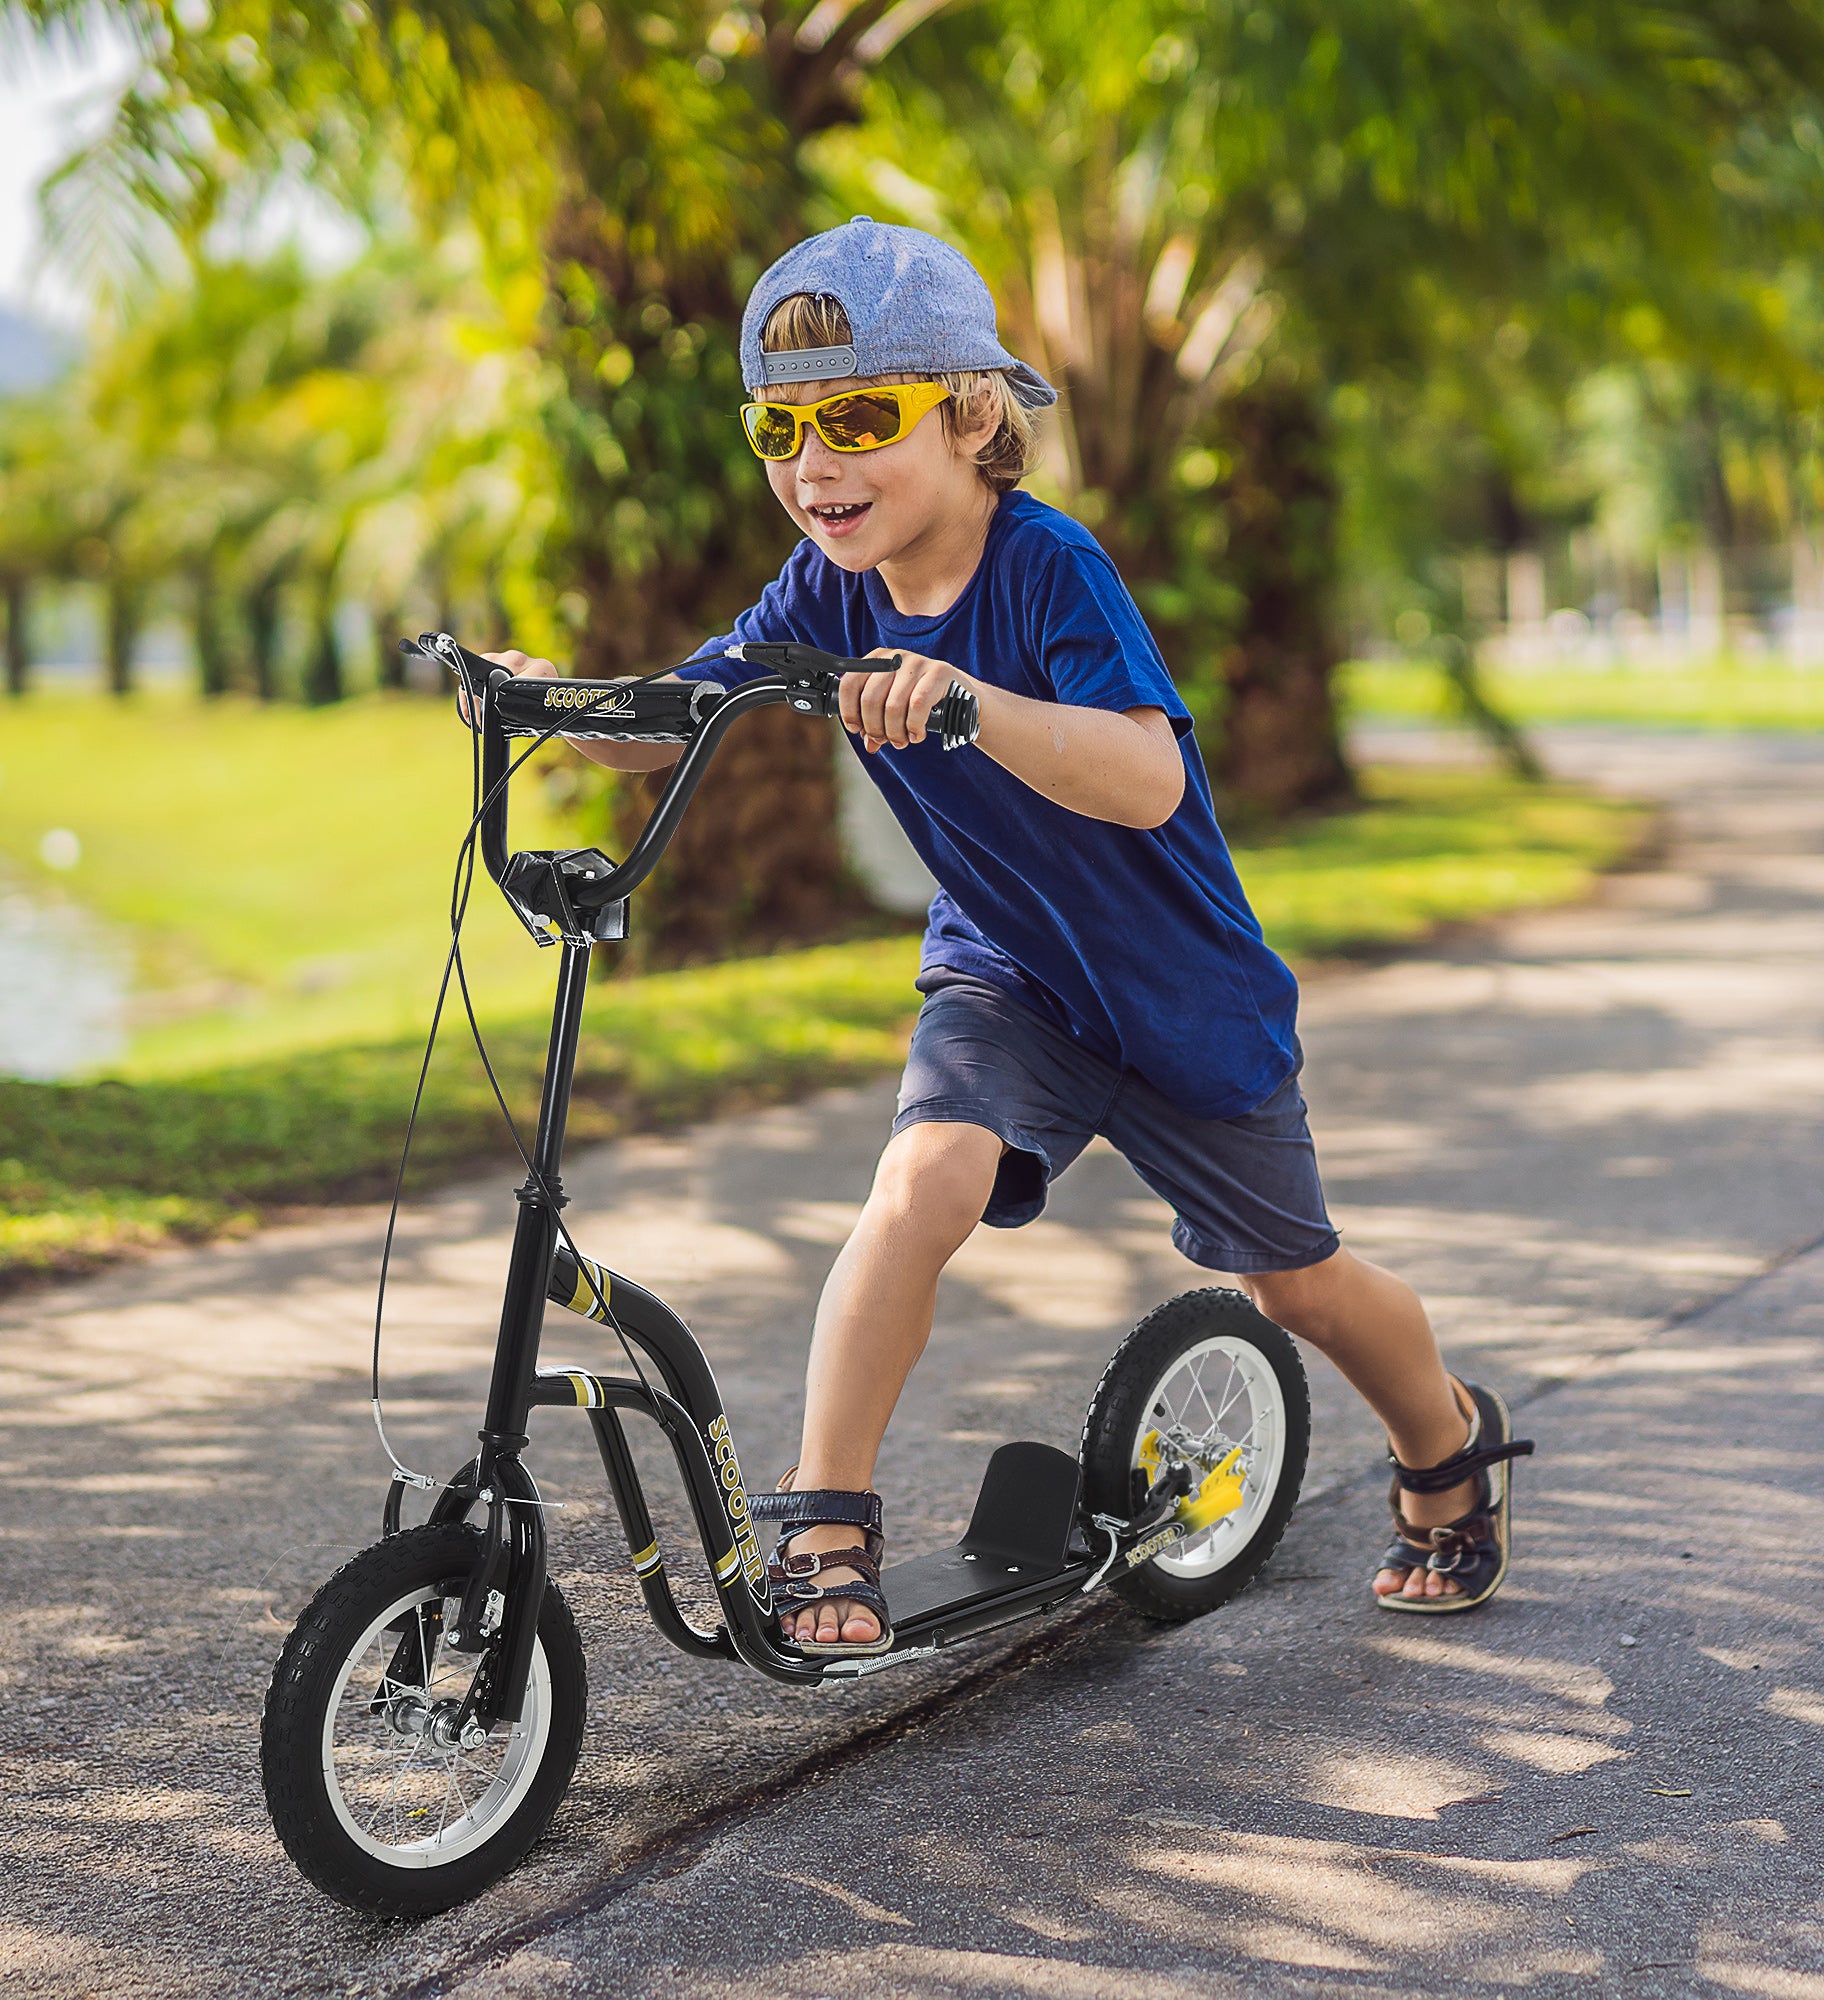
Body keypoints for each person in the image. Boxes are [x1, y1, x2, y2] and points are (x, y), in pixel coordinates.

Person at [477, 218, 1531, 1656]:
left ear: (973, 416)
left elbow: (1147, 775)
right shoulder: (827, 588)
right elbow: (677, 720)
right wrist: (559, 701)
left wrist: (967, 702)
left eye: (858, 419)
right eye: (777, 428)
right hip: (1007, 971)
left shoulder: (1048, 568)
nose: (814, 466)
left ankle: (1447, 1445)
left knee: (1295, 1283)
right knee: (922, 1182)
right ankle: (825, 1526)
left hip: (1177, 995)